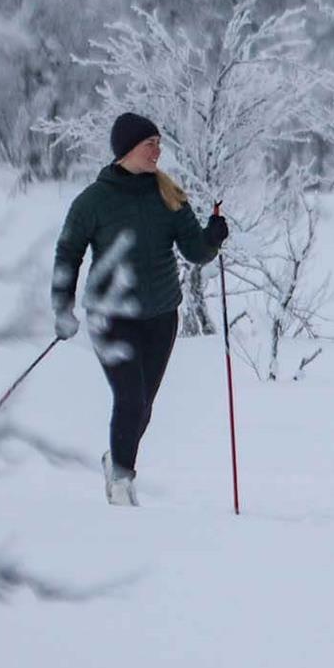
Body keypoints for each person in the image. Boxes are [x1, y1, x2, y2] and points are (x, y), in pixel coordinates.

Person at [52, 113, 228, 507]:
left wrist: (212, 237)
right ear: (127, 149)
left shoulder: (169, 195)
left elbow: (195, 252)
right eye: (150, 143)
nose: (158, 151)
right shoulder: (93, 202)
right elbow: (68, 253)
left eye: (159, 144)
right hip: (110, 316)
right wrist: (62, 307)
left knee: (143, 405)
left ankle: (116, 457)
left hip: (161, 316)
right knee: (130, 399)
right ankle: (121, 482)